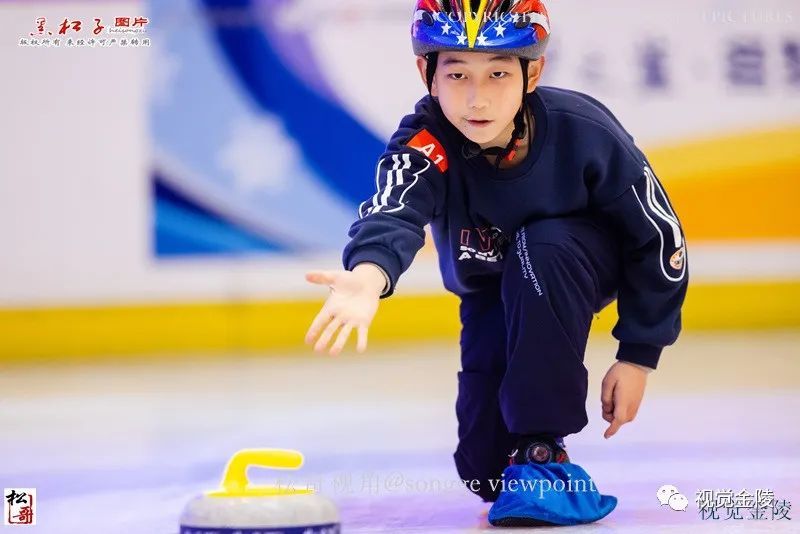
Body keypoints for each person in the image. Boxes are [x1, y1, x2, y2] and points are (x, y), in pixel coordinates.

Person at [305, 0, 688, 526]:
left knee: (542, 247)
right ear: (427, 75)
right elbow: (393, 209)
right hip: (490, 284)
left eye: (499, 74)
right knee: (485, 471)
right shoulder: (424, 142)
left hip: (573, 264)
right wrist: (369, 275)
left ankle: (544, 457)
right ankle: (515, 456)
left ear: (534, 74)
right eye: (457, 73)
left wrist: (639, 355)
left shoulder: (584, 131)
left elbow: (659, 238)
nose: (477, 97)